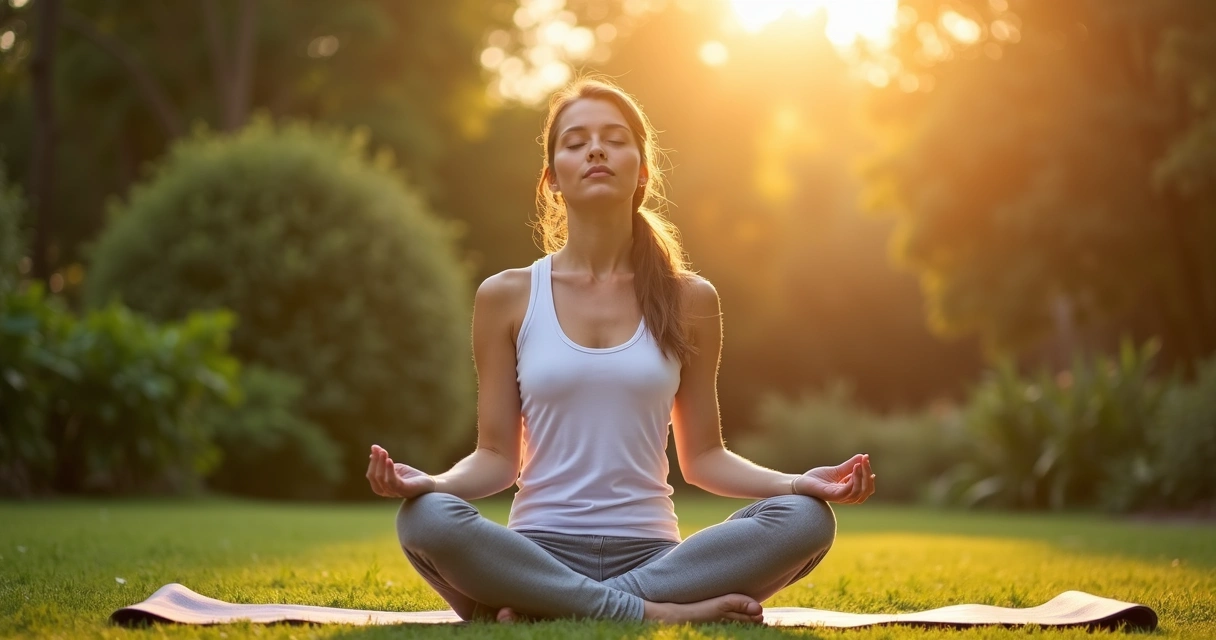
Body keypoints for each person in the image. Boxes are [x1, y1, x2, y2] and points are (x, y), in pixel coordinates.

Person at [365, 77, 876, 625]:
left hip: (654, 555)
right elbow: (496, 458)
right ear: (552, 180)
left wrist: (799, 483)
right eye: (575, 140)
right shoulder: (506, 296)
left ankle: (547, 610)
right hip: (536, 552)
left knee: (807, 519)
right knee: (424, 518)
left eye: (614, 138)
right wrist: (433, 485)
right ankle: (654, 615)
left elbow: (703, 459)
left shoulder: (691, 299)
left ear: (642, 170)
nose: (595, 149)